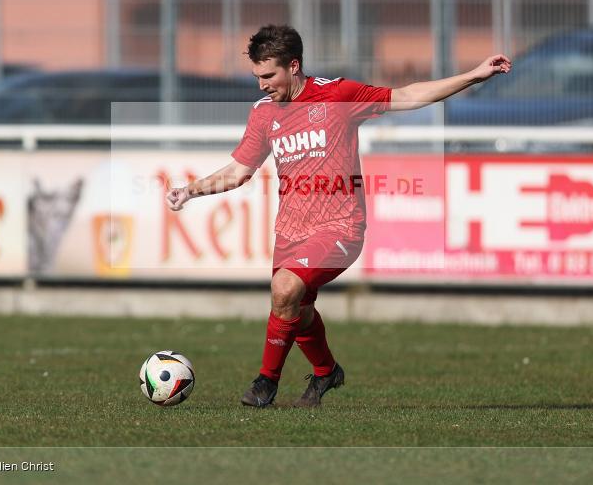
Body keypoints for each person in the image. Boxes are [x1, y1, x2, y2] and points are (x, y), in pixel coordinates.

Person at [166, 24, 511, 408]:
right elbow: (238, 171)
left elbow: (407, 95)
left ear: (293, 66)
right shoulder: (263, 114)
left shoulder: (337, 95)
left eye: (268, 76)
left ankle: (266, 382)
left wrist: (474, 75)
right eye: (256, 77)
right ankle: (326, 372)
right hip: (291, 229)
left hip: (341, 227)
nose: (261, 84)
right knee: (297, 309)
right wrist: (192, 190)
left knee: (284, 290)